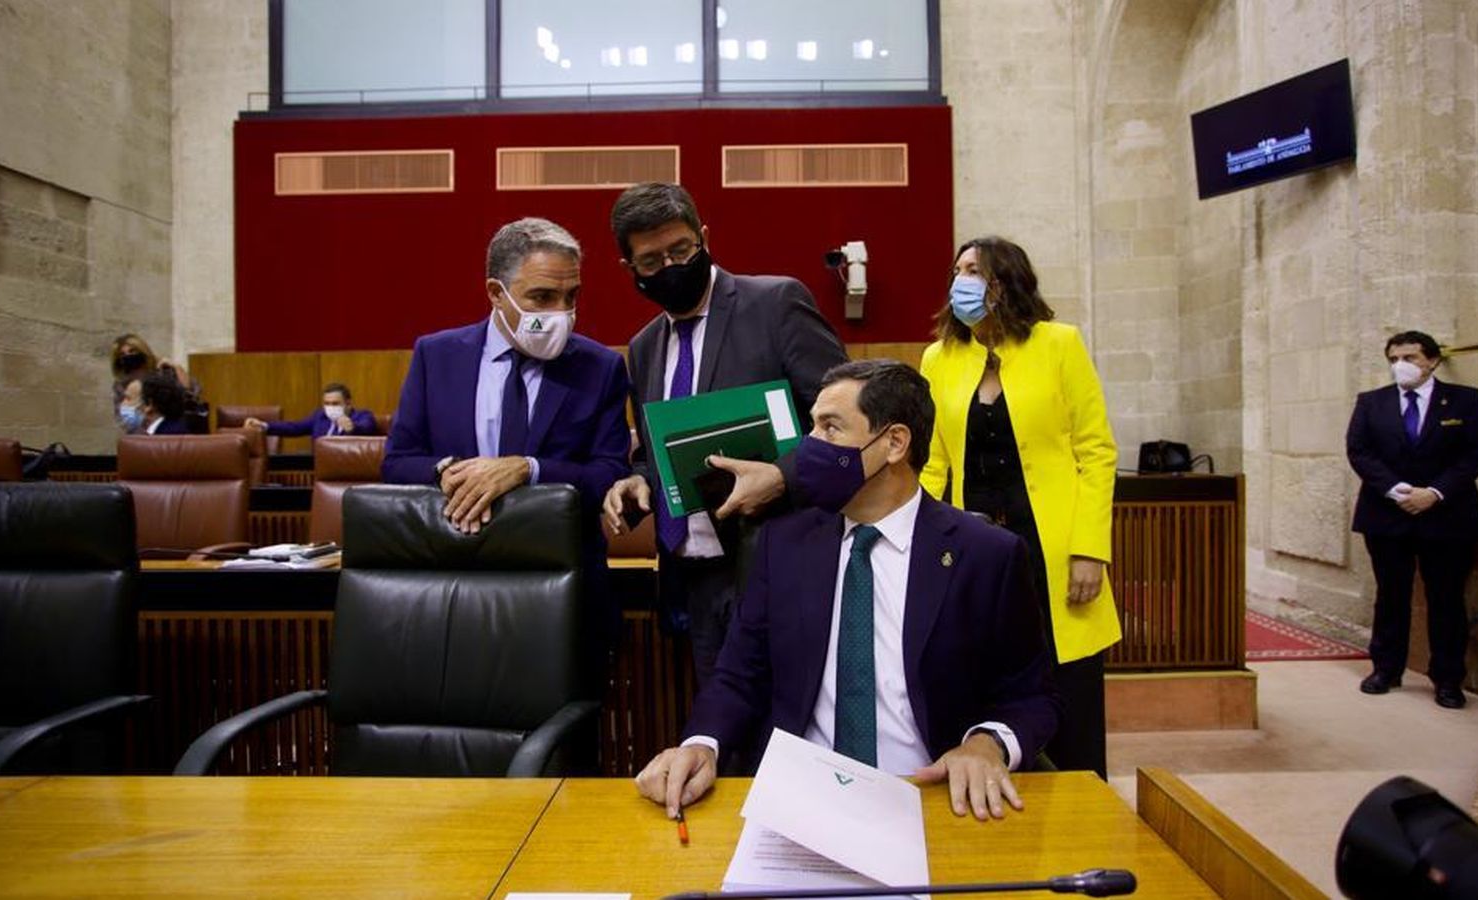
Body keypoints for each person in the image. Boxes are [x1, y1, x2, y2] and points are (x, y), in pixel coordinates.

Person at [635, 360, 1060, 820]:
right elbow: (739, 675)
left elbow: (1032, 696)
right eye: (812, 426)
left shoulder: (987, 555)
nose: (809, 445)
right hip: (801, 798)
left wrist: (986, 744)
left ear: (894, 443)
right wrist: (702, 744)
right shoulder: (783, 544)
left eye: (830, 428)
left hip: (931, 798)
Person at [600, 182, 847, 687]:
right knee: (722, 723)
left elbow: (847, 423)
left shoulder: (775, 304)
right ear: (630, 269)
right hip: (692, 582)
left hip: (779, 563)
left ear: (705, 238)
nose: (671, 267)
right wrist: (639, 479)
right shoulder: (644, 346)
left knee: (790, 723)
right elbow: (654, 450)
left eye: (681, 250)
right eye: (651, 261)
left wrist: (780, 477)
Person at [917, 236, 1120, 780]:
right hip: (976, 548)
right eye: (957, 270)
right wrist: (918, 536)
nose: (960, 281)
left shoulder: (1059, 344)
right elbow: (933, 462)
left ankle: (1082, 804)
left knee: (1068, 685)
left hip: (1052, 546)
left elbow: (1096, 453)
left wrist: (1089, 550)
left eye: (974, 271)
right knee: (987, 680)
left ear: (1005, 282)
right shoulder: (939, 358)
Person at [382, 216, 631, 534]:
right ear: (496, 293)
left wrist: (528, 469)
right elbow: (397, 463)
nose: (561, 312)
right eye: (543, 297)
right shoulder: (436, 357)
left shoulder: (600, 367)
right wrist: (448, 472)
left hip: (557, 554)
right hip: (455, 551)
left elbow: (609, 475)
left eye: (571, 296)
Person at [1347, 330, 1478, 709]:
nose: (1401, 365)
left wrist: (1435, 492)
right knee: (1391, 594)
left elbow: (1476, 453)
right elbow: (1359, 451)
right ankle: (1386, 669)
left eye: (1409, 358)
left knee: (1446, 598)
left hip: (1447, 515)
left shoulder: (1465, 400)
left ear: (1432, 360)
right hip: (1387, 513)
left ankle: (1447, 679)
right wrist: (1395, 490)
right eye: (1394, 359)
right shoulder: (1372, 402)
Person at [111, 333, 199, 432]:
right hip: (141, 434)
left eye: (132, 351)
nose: (128, 356)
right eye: (122, 354)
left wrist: (178, 369)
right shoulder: (121, 384)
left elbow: (190, 399)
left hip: (171, 429)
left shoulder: (164, 372)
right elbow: (123, 417)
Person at [244, 383, 377, 438]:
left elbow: (367, 427)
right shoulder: (319, 416)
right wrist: (264, 425)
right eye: (327, 403)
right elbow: (294, 427)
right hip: (322, 469)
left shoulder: (362, 415)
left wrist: (353, 428)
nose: (330, 407)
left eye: (335, 403)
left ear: (348, 403)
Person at [123, 371, 191, 435]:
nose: (123, 403)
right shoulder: (156, 430)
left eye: (128, 398)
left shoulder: (169, 435)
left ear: (149, 404)